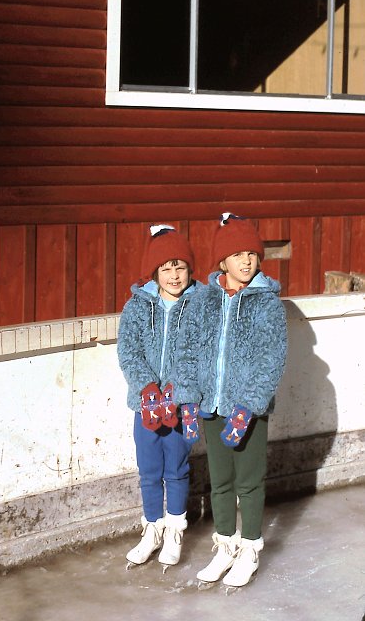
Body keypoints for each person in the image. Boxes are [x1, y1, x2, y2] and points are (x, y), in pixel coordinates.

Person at [187, 212, 287, 587]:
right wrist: (187, 398)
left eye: (253, 254)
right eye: (238, 254)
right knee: (221, 481)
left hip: (248, 410)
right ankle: (225, 545)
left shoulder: (268, 305)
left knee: (249, 482)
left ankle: (249, 549)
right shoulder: (203, 301)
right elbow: (189, 350)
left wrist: (250, 404)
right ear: (222, 261)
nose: (247, 261)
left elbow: (271, 360)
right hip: (212, 406)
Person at [117, 224, 204, 570]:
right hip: (147, 404)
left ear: (189, 269)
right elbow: (128, 351)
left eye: (179, 266)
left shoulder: (201, 305)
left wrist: (179, 393)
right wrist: (147, 388)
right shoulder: (137, 306)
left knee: (177, 467)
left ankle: (175, 530)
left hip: (183, 404)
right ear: (154, 272)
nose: (174, 275)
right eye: (166, 268)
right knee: (149, 469)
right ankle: (152, 528)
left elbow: (202, 353)